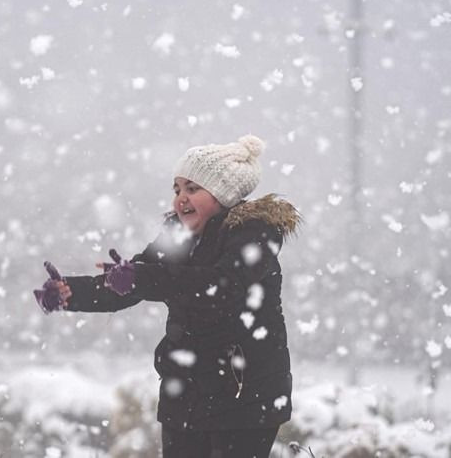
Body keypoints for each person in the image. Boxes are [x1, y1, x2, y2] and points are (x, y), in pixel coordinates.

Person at [34, 135, 300, 458]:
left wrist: (143, 277)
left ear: (223, 193)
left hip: (245, 397)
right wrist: (71, 292)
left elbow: (220, 287)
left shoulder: (255, 233)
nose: (180, 199)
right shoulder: (178, 236)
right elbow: (134, 280)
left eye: (192, 189)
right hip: (186, 394)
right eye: (176, 189)